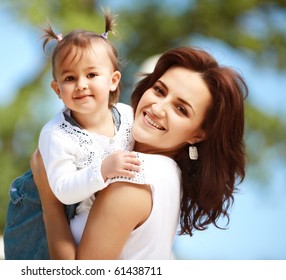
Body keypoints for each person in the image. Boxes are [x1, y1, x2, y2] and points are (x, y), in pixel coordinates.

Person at [31, 46, 248, 259]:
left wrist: (49, 199)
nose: (157, 108)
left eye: (180, 109)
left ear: (198, 135)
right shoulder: (167, 173)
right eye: (159, 90)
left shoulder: (132, 177)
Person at [3, 10, 140, 260]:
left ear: (113, 80)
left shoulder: (128, 116)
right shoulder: (57, 134)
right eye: (69, 77)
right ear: (57, 89)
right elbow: (63, 190)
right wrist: (102, 170)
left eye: (91, 74)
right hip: (71, 220)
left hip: (114, 219)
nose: (81, 84)